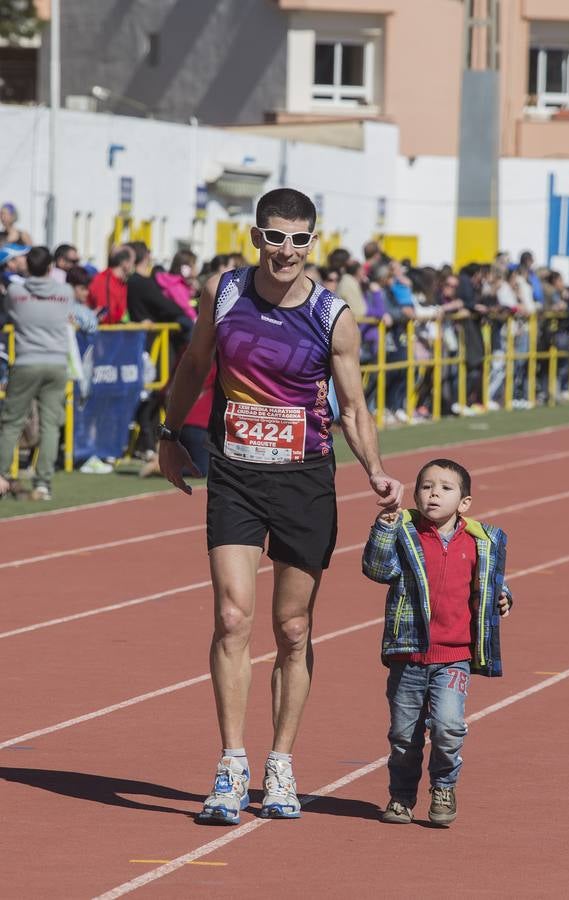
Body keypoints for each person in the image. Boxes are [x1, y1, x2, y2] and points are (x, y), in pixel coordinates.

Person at [158, 187, 403, 825]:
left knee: (292, 630)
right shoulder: (226, 293)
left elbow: (352, 406)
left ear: (311, 242)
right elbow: (193, 362)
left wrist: (374, 469)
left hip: (303, 480)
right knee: (233, 618)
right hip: (235, 472)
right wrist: (168, 436)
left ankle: (282, 761)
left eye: (298, 239)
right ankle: (232, 763)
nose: (285, 250)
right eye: (274, 236)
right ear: (256, 236)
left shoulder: (332, 316)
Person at [362, 458, 512, 826]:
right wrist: (384, 528)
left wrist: (504, 597)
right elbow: (378, 570)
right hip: (408, 655)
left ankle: (444, 785)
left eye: (445, 488)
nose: (434, 494)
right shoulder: (403, 533)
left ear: (464, 503)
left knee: (448, 726)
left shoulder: (481, 541)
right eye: (426, 486)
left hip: (454, 657)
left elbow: (489, 584)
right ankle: (401, 797)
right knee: (403, 736)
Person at [0, 246, 95, 501]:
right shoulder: (64, 292)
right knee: (51, 424)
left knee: (12, 421)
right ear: (51, 267)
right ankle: (43, 484)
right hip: (55, 363)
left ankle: (1, 476)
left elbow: (10, 310)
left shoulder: (16, 292)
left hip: (26, 360)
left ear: (27, 266)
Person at [87, 244, 135, 323]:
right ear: (124, 263)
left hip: (115, 332)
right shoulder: (104, 281)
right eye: (133, 262)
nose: (134, 266)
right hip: (104, 333)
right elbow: (106, 317)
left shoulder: (121, 282)